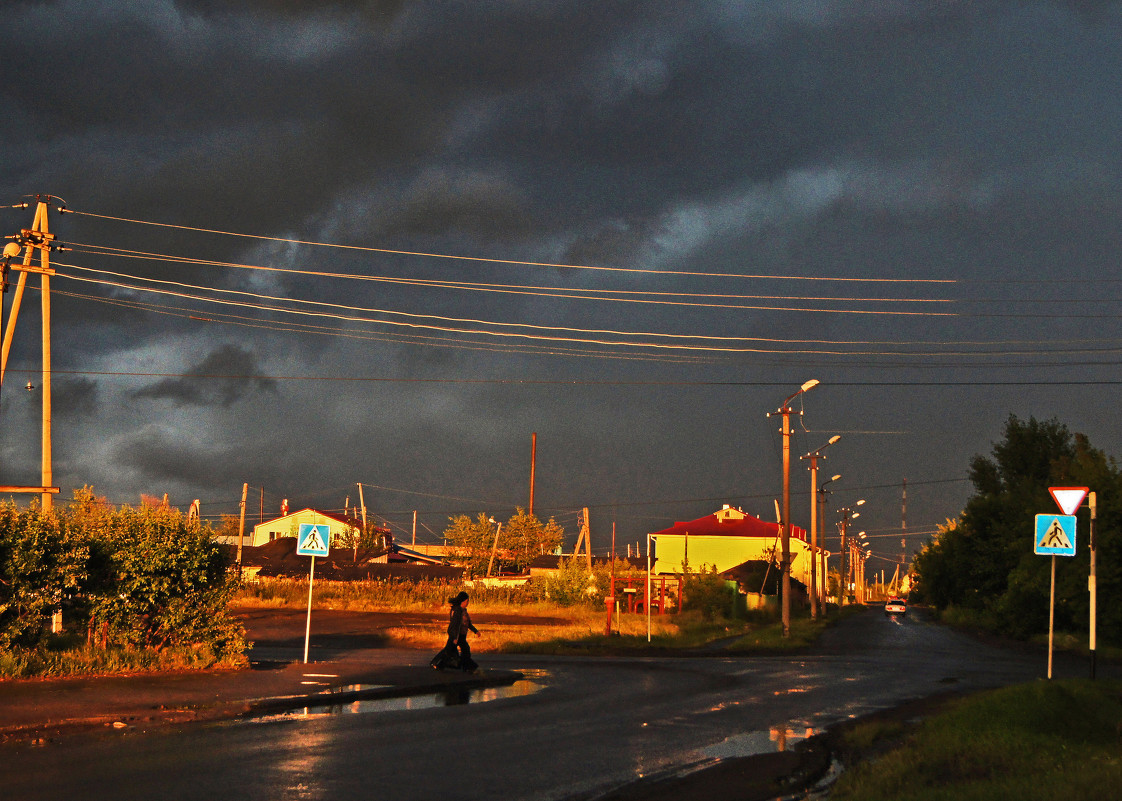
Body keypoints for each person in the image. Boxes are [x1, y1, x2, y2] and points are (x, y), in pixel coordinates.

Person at [447, 590, 479, 672]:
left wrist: (475, 631)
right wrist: (455, 637)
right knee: (463, 651)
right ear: (463, 601)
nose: (468, 603)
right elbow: (455, 624)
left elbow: (468, 623)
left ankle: (465, 667)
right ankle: (469, 667)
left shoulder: (463, 610)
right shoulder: (457, 610)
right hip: (457, 635)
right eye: (467, 601)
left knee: (459, 652)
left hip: (461, 635)